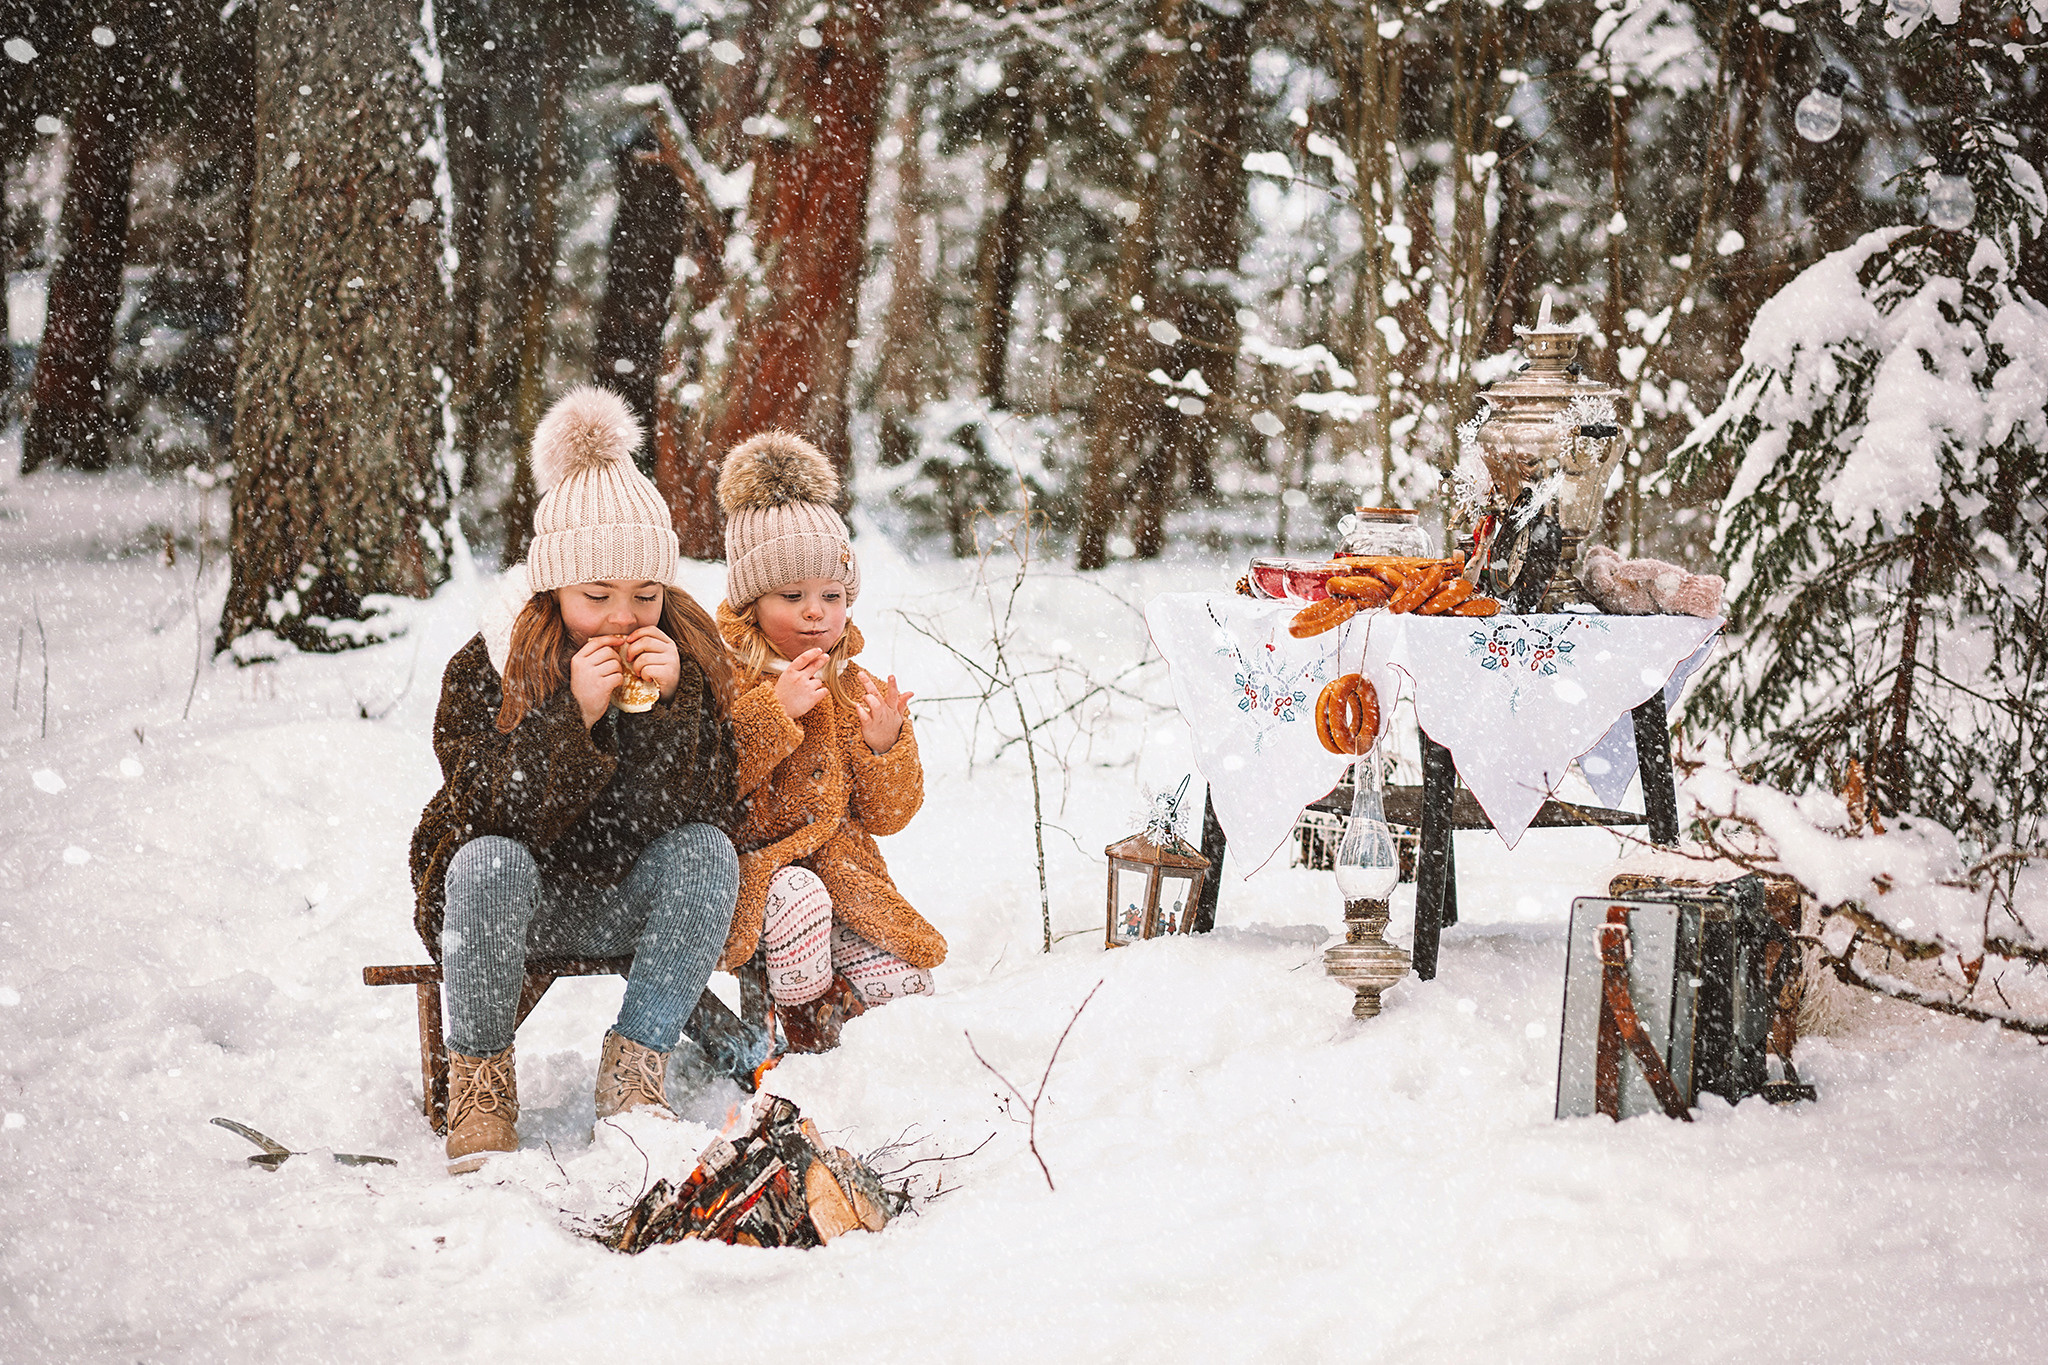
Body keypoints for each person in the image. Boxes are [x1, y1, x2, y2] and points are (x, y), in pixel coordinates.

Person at [409, 386, 739, 1175]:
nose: (625, 617)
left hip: (624, 894)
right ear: (553, 587)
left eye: (646, 595)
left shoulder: (684, 659)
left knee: (707, 853)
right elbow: (484, 806)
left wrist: (666, 711)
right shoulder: (489, 664)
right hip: (506, 908)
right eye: (598, 597)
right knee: (487, 859)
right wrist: (572, 719)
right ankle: (482, 1079)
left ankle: (637, 1066)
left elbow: (709, 804)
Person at [713, 430, 944, 1051]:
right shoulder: (718, 675)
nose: (816, 612)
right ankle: (807, 1041)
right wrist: (772, 713)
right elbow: (704, 784)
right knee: (800, 898)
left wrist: (881, 747)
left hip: (842, 876)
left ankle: (848, 1026)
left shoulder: (853, 687)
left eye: (832, 596)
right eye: (792, 597)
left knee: (909, 990)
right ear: (752, 602)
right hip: (752, 875)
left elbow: (888, 816)